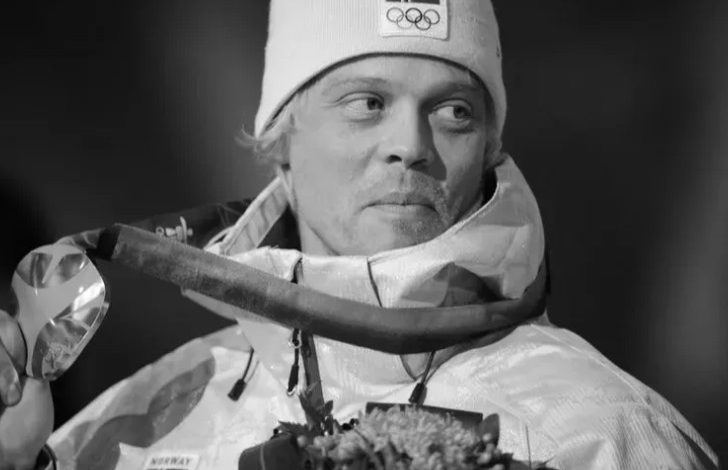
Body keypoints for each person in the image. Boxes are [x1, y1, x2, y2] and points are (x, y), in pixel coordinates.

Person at [0, 0, 720, 468]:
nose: (410, 145)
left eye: (454, 111)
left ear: (491, 148)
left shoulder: (604, 430)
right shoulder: (142, 423)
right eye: (367, 103)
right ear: (280, 139)